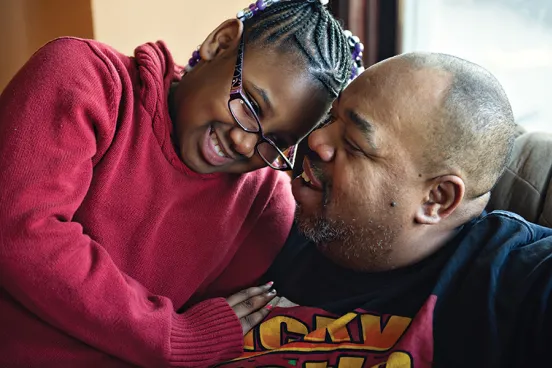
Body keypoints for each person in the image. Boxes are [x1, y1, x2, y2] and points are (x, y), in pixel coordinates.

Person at [0, 0, 364, 367]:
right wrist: (172, 335)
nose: (244, 143)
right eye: (251, 105)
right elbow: (20, 233)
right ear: (219, 43)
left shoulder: (264, 203)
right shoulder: (86, 79)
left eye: (276, 141)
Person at [217, 52, 552, 368]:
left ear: (437, 198)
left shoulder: (516, 282)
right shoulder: (262, 219)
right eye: (331, 117)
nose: (317, 139)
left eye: (353, 144)